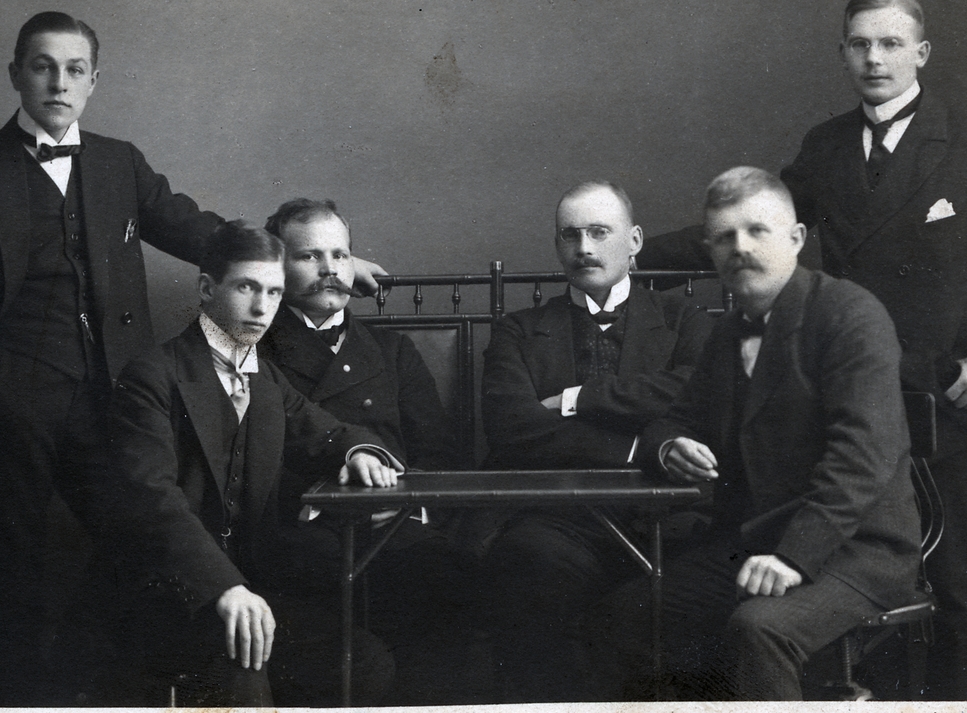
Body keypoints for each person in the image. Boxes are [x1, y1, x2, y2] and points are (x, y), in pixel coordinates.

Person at [0, 11, 386, 704]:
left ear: (94, 81)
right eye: (43, 67)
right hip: (5, 416)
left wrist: (324, 264)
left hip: (112, 406)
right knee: (14, 585)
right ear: (16, 74)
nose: (59, 83)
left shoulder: (119, 164)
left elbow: (210, 236)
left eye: (74, 70)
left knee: (144, 556)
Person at [637, 0, 967, 699]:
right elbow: (755, 224)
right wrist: (632, 253)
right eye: (860, 44)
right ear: (843, 54)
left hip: (944, 397)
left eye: (891, 43)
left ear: (921, 52)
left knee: (962, 598)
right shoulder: (826, 146)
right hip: (843, 383)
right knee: (815, 590)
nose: (875, 59)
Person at [593, 166, 920, 701]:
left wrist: (793, 557)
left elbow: (862, 458)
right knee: (627, 615)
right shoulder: (727, 333)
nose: (739, 248)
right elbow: (672, 420)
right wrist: (670, 446)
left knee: (759, 628)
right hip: (755, 543)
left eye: (756, 231)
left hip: (856, 551)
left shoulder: (850, 315)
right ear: (710, 251)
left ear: (796, 238)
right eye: (724, 237)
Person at [90, 220, 401, 706]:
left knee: (362, 662)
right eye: (246, 288)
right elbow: (151, 500)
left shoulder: (265, 378)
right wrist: (224, 588)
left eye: (274, 292)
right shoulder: (152, 374)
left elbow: (328, 432)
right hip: (167, 597)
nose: (262, 308)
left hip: (249, 592)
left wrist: (360, 452)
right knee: (244, 675)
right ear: (206, 289)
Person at [478, 180, 710, 701]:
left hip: (666, 515)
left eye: (600, 232)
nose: (583, 248)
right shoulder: (519, 330)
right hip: (561, 518)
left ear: (635, 241)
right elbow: (511, 426)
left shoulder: (683, 321)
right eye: (570, 235)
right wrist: (636, 447)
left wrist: (576, 399)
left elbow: (698, 395)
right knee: (529, 567)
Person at [260, 198, 473, 703]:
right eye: (309, 256)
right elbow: (250, 463)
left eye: (340, 255)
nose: (330, 269)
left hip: (395, 526)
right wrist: (322, 506)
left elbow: (439, 453)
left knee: (445, 581)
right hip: (302, 530)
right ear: (278, 267)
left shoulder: (393, 350)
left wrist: (407, 505)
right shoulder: (256, 350)